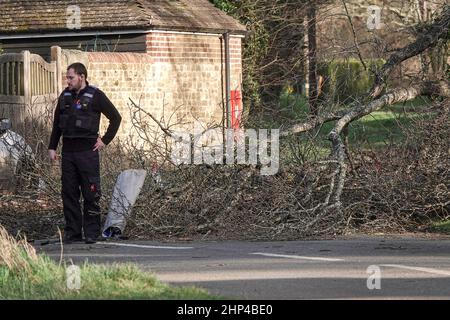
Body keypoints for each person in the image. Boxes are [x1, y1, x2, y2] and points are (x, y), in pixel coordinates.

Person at [48, 63, 121, 244]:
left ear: (81, 76)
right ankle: (73, 232)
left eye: (71, 77)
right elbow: (57, 123)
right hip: (68, 152)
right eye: (67, 77)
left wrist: (104, 140)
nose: (68, 81)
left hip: (88, 152)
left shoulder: (96, 95)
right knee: (69, 192)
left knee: (91, 192)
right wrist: (52, 147)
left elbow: (115, 117)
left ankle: (91, 232)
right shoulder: (64, 96)